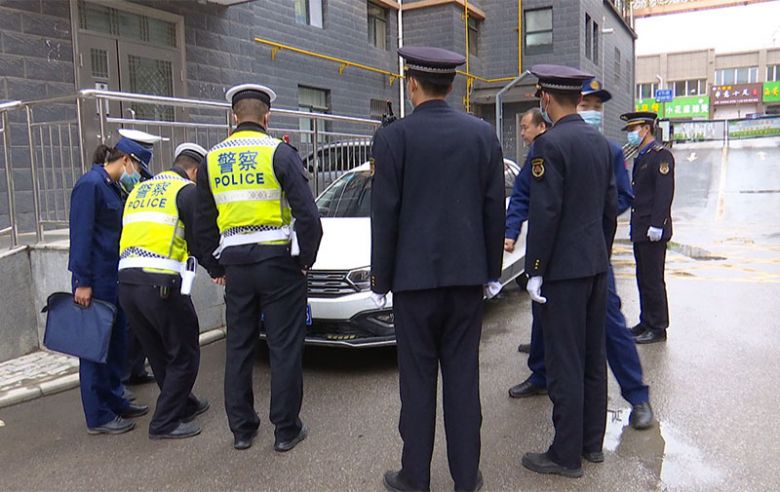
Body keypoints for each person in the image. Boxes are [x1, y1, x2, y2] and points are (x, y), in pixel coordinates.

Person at [371, 46, 505, 492]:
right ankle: (466, 477)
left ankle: (416, 477)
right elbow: (494, 208)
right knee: (463, 381)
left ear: (412, 84)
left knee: (417, 384)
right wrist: (491, 272)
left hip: (413, 284)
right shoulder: (482, 135)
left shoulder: (394, 138)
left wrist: (380, 278)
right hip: (466, 281)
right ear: (452, 86)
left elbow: (385, 213)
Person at [507, 79, 654, 430]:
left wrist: (584, 219)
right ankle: (540, 375)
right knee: (543, 315)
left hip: (591, 255)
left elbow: (622, 197)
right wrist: (510, 231)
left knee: (610, 324)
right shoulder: (545, 148)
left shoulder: (609, 151)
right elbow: (524, 193)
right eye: (585, 103)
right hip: (552, 255)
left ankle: (637, 396)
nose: (589, 110)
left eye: (595, 106)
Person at [194, 84, 323, 451]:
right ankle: (285, 430)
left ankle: (242, 430)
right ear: (267, 117)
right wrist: (305, 260)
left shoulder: (212, 160)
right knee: (284, 347)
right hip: (278, 263)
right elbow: (308, 215)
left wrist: (215, 266)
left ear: (233, 117)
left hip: (236, 266)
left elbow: (202, 226)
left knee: (238, 347)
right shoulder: (278, 153)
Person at [520, 65, 617, 478]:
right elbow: (610, 210)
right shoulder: (601, 144)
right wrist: (599, 255)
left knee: (564, 362)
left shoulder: (549, 145)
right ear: (578, 98)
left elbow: (546, 213)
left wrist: (535, 269)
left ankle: (565, 454)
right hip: (595, 265)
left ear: (545, 98)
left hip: (562, 272)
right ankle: (591, 443)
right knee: (593, 357)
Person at [117, 142, 218, 439]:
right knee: (185, 351)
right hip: (160, 283)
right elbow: (200, 239)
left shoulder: (140, 190)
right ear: (196, 171)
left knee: (158, 350)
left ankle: (183, 403)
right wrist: (218, 270)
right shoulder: (185, 192)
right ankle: (165, 421)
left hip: (127, 282)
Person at [68, 129, 159, 434]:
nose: (137, 176)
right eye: (138, 168)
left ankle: (115, 399)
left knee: (117, 345)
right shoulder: (90, 185)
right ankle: (98, 416)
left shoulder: (113, 187)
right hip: (95, 282)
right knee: (95, 351)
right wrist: (82, 281)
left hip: (114, 278)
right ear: (127, 160)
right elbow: (81, 236)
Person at [621, 111, 675, 344]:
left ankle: (658, 327)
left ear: (646, 129)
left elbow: (664, 193)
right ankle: (646, 321)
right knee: (643, 277)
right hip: (641, 228)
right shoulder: (642, 155)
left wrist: (657, 225)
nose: (631, 134)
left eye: (633, 129)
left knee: (653, 280)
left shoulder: (661, 156)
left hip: (653, 230)